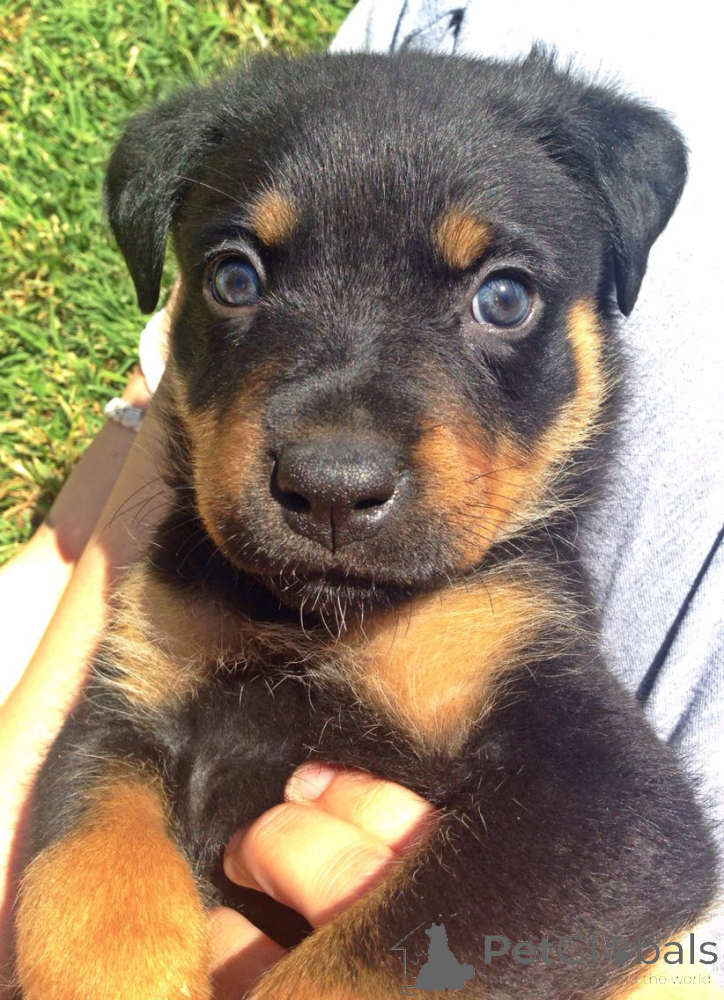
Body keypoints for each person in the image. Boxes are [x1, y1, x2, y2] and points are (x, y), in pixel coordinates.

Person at [1, 3, 721, 997]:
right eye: (238, 279)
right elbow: (110, 759)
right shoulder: (183, 571)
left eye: (500, 298)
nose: (337, 467)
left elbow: (628, 839)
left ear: (597, 306)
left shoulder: (497, 607)